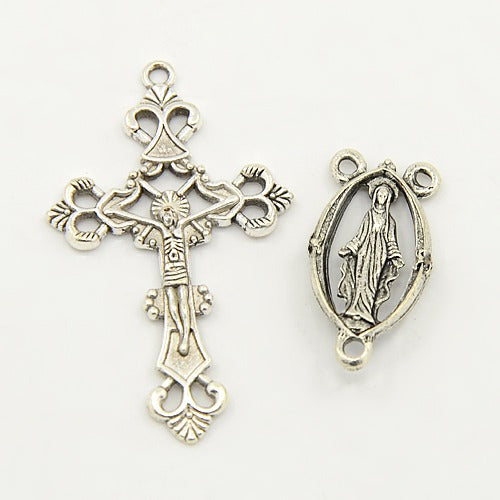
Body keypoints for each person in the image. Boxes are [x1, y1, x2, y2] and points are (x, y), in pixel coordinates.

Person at [338, 178, 404, 332]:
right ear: (375, 196)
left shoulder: (390, 221)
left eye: (384, 196)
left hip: (380, 254)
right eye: (380, 195)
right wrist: (350, 248)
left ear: (388, 199)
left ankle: (367, 314)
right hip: (364, 251)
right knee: (360, 279)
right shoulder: (369, 215)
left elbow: (391, 240)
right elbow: (361, 236)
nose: (382, 198)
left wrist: (395, 256)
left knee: (372, 281)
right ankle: (353, 310)